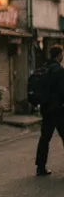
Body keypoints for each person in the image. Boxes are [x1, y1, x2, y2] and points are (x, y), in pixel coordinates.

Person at [35, 45, 64, 176]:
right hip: (59, 109)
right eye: (61, 54)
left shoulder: (44, 67)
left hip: (46, 109)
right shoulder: (59, 70)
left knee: (44, 138)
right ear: (58, 55)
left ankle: (40, 167)